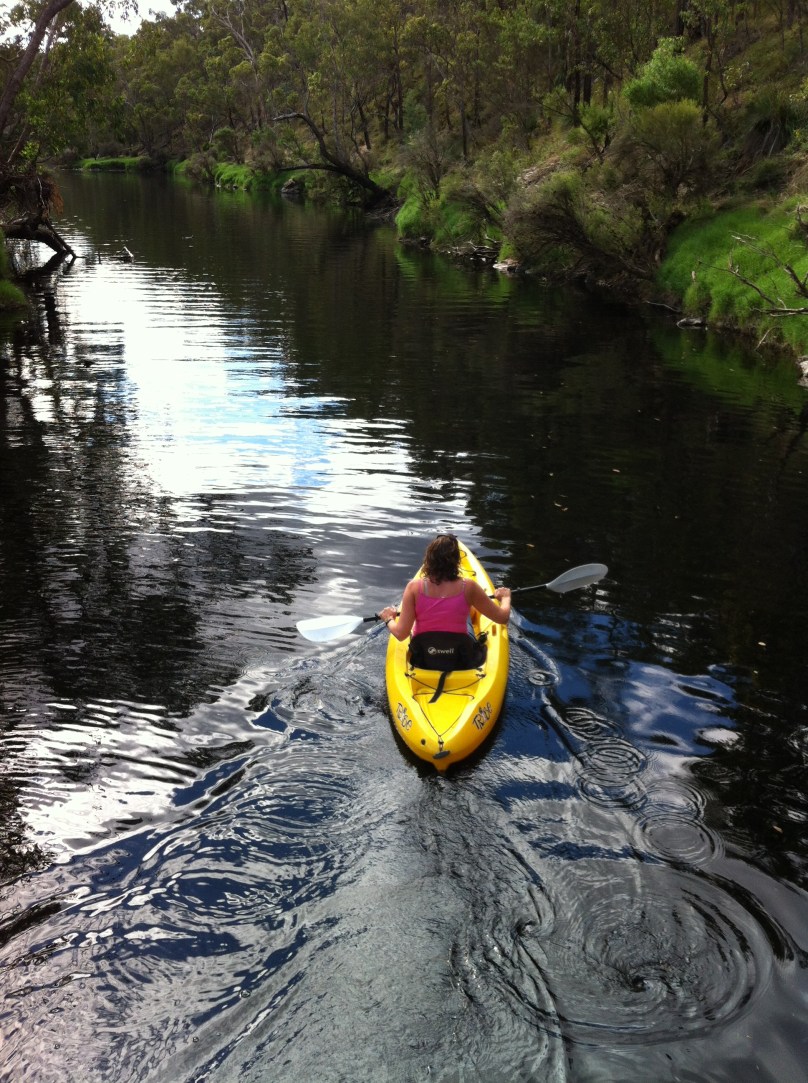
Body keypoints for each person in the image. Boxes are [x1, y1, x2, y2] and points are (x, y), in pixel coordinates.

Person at [379, 535, 511, 666]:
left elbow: (401, 634)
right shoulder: (469, 587)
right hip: (459, 658)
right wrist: (505, 598)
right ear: (457, 562)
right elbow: (502, 618)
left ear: (429, 559)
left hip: (424, 658)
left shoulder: (413, 588)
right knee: (469, 615)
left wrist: (388, 618)